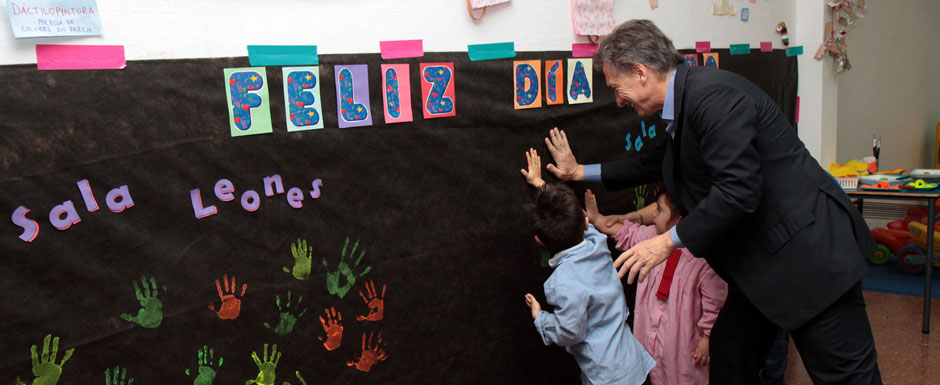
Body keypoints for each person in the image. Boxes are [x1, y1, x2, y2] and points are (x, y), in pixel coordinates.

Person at [541, 19, 881, 384]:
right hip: (760, 268)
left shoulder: (713, 96)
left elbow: (739, 191)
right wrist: (578, 172)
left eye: (616, 87)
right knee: (730, 356)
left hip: (809, 260)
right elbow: (653, 162)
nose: (618, 98)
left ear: (640, 72)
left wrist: (665, 243)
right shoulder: (684, 103)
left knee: (848, 377)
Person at [519, 148, 655, 385]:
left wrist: (541, 318)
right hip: (630, 360)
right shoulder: (597, 243)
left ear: (539, 242)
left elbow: (570, 332)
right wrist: (541, 184)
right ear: (586, 223)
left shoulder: (562, 282)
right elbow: (575, 217)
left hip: (606, 376)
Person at [586, 188, 727, 384]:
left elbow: (715, 299)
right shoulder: (651, 237)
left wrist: (707, 336)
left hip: (682, 339)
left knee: (684, 375)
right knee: (656, 371)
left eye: (660, 210)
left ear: (679, 220)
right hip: (652, 331)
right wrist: (597, 218)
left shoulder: (702, 257)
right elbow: (625, 233)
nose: (653, 214)